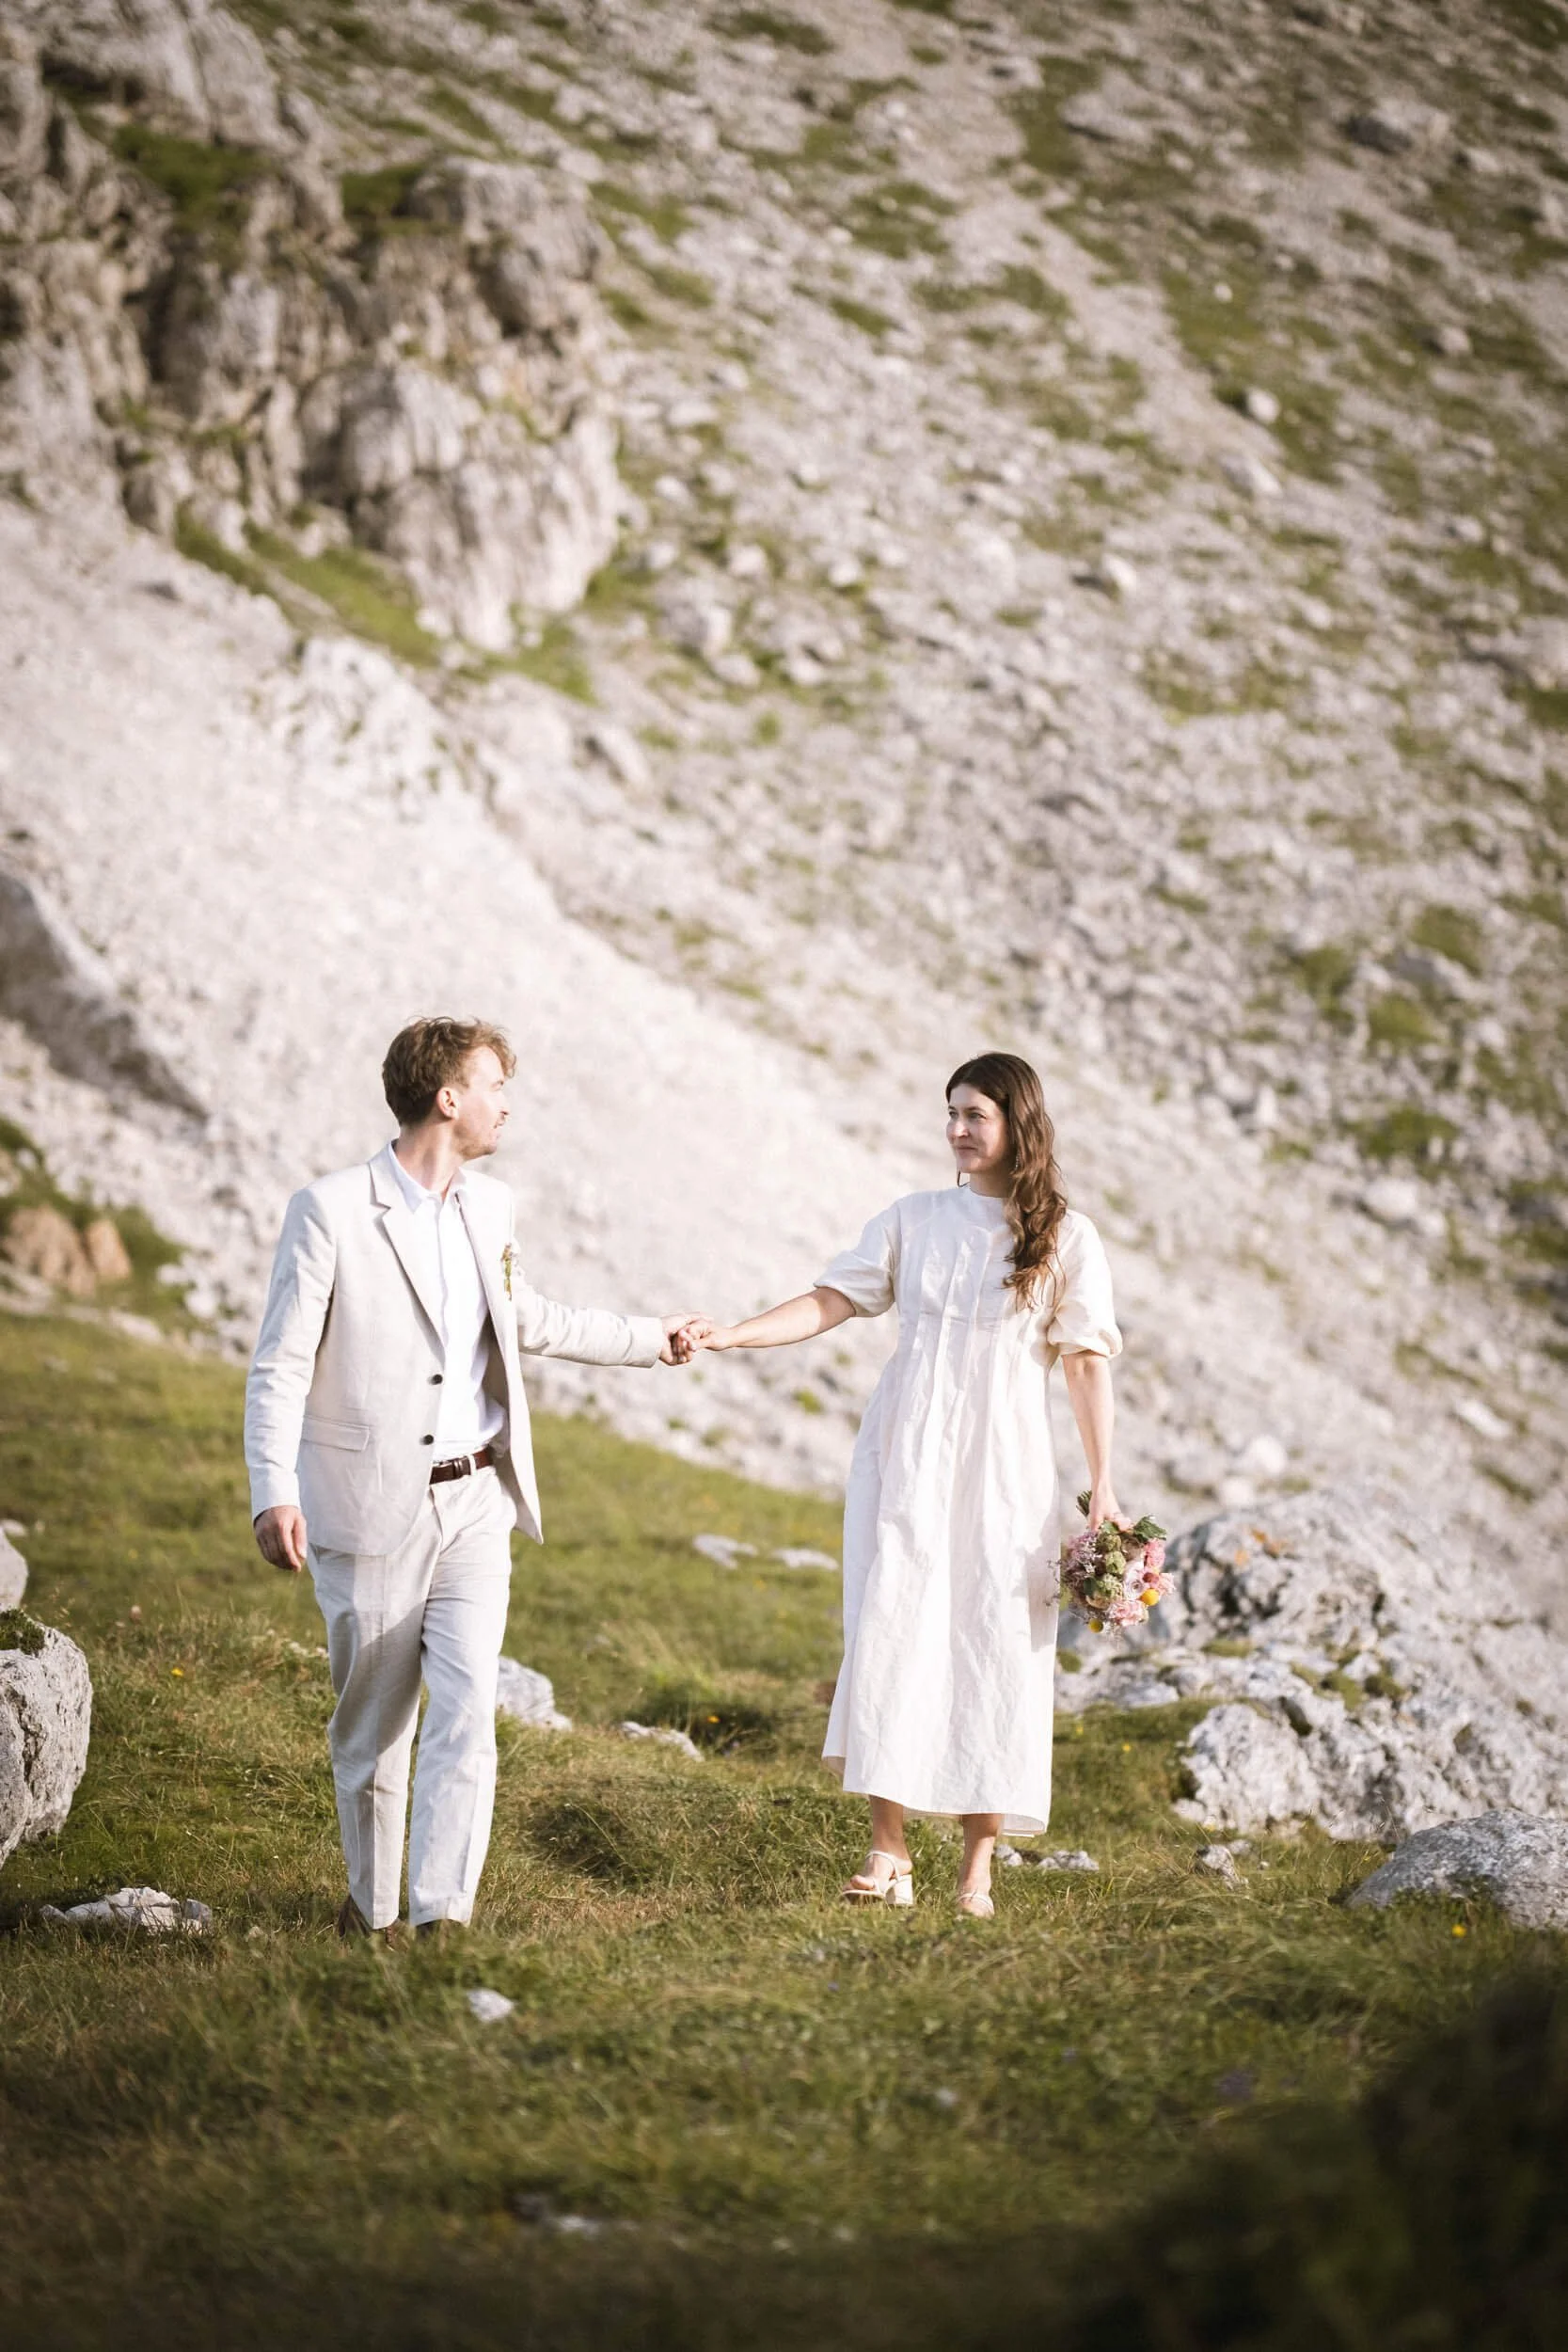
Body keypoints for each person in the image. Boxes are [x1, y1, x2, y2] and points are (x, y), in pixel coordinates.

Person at [245, 1016, 696, 1943]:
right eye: (493, 1084)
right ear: (447, 1097)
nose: (506, 1103)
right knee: (371, 1733)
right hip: (367, 1505)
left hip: (477, 1502)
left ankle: (441, 1916)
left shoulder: (492, 1208)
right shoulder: (329, 1208)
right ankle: (369, 1915)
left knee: (466, 1711)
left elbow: (528, 1317)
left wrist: (652, 1338)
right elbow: (280, 1362)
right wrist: (270, 1487)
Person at [685, 1053, 1122, 1919]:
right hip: (905, 1455)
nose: (958, 1130)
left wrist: (1103, 1487)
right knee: (889, 1626)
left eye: (976, 1116)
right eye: (951, 1113)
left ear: (1017, 1126)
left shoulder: (1067, 1236)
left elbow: (1084, 1366)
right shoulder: (911, 1220)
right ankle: (887, 1850)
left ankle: (977, 1864)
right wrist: (733, 1335)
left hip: (1004, 1471)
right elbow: (830, 1301)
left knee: (993, 1645)